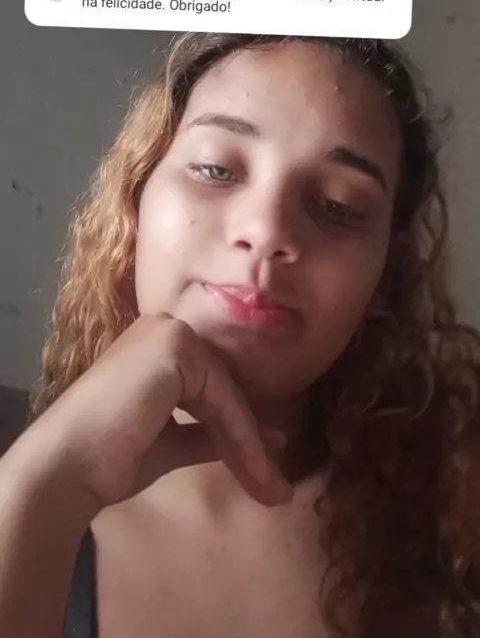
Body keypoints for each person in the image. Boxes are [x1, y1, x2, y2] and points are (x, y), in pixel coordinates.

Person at [0, 32, 479, 638]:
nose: (266, 229)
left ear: (388, 270)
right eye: (216, 169)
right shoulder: (24, 485)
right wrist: (42, 491)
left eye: (338, 205)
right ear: (137, 197)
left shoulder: (454, 502)